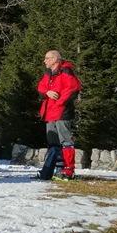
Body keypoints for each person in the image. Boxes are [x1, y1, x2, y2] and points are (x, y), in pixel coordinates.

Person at [37, 50, 81, 180]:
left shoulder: (66, 71)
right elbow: (40, 88)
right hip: (49, 112)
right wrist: (47, 92)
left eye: (47, 58)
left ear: (55, 59)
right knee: (53, 142)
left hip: (61, 111)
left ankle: (68, 170)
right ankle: (54, 168)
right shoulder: (48, 74)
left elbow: (74, 88)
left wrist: (59, 102)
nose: (44, 61)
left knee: (66, 141)